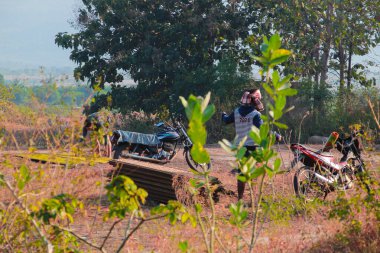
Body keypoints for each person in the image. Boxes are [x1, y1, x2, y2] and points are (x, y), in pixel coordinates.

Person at [222, 89, 281, 200]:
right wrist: (276, 135)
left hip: (241, 148)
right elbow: (263, 131)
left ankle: (240, 199)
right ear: (255, 101)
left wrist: (223, 114)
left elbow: (226, 120)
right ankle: (256, 199)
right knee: (257, 173)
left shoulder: (236, 112)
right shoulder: (255, 114)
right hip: (254, 148)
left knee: (242, 174)